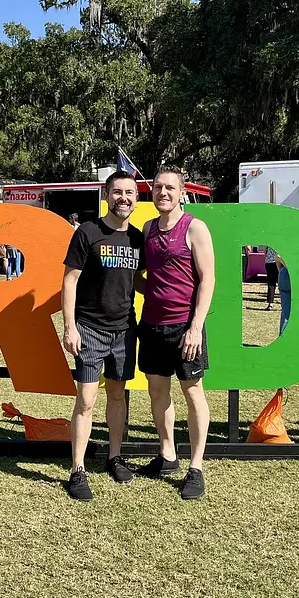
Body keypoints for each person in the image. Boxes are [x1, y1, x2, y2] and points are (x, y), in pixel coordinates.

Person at [61, 171, 145, 501]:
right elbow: (70, 280)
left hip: (124, 330)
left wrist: (163, 294)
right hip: (89, 330)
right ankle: (77, 469)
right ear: (106, 195)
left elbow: (135, 279)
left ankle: (114, 457)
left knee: (117, 395)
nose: (124, 198)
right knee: (86, 400)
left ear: (136, 198)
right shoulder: (88, 232)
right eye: (118, 192)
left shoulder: (138, 239)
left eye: (130, 193)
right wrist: (70, 327)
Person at [135, 165, 215, 500]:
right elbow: (139, 274)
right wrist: (145, 288)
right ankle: (168, 455)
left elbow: (208, 279)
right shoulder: (147, 228)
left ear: (182, 192)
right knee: (157, 392)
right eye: (157, 188)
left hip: (186, 328)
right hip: (152, 326)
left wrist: (196, 327)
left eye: (170, 188)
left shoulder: (194, 228)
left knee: (193, 393)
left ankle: (195, 467)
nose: (163, 193)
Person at [264, 245, 279, 310]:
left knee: (271, 284)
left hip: (269, 262)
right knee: (282, 283)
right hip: (278, 262)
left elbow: (264, 250)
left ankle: (270, 303)